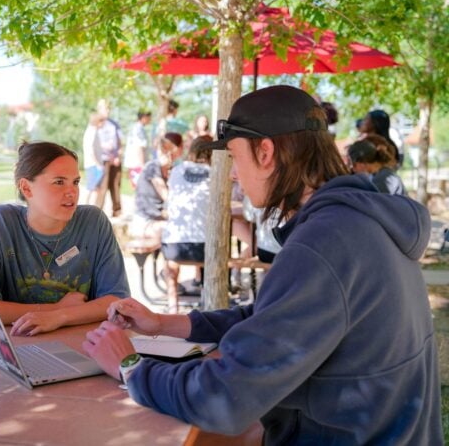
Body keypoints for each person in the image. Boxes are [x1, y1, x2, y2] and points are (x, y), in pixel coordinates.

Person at [82, 85, 441, 444]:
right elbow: (271, 315)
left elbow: (224, 398)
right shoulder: (358, 221)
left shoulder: (324, 244)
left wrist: (130, 367)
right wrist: (165, 323)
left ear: (265, 152)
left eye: (236, 158)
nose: (235, 174)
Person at [0, 141, 130, 336]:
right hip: (18, 345)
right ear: (26, 189)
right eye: (59, 182)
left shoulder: (93, 222)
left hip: (84, 345)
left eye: (75, 182)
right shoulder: (0, 222)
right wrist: (55, 308)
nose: (72, 192)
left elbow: (116, 301)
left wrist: (61, 316)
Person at [161, 135, 212, 312]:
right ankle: (208, 297)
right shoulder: (215, 174)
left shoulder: (176, 171)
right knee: (212, 240)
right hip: (205, 248)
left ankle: (172, 303)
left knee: (171, 255)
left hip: (174, 247)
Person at [129, 132, 184, 243]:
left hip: (158, 219)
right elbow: (168, 197)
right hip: (145, 221)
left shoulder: (170, 169)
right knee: (179, 231)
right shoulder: (153, 167)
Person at [94, 99, 124, 217]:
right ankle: (97, 212)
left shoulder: (115, 124)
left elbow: (120, 142)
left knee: (116, 184)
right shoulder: (97, 124)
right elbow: (93, 142)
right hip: (103, 159)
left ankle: (117, 210)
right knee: (103, 185)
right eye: (104, 108)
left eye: (108, 108)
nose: (107, 110)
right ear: (99, 109)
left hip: (115, 159)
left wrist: (119, 156)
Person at [123, 110, 151, 188]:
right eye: (149, 118)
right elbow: (139, 147)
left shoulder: (135, 127)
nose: (150, 120)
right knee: (139, 187)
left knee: (136, 186)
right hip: (137, 163)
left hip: (134, 163)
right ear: (144, 117)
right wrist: (142, 165)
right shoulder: (139, 129)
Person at [82, 112, 104, 204]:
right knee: (92, 188)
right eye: (102, 122)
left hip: (93, 164)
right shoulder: (92, 132)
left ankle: (93, 209)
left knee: (95, 188)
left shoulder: (92, 131)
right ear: (97, 122)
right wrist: (98, 163)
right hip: (93, 164)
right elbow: (90, 150)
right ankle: (87, 208)